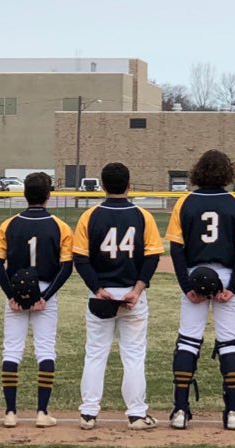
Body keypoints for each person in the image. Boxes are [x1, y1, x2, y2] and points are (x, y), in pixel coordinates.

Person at [164, 149, 235, 431]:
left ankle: (180, 411)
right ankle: (234, 412)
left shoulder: (185, 202)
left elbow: (176, 249)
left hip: (194, 274)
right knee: (229, 342)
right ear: (228, 173)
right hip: (226, 275)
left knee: (188, 340)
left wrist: (186, 286)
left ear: (198, 172)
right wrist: (232, 287)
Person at [72, 162, 162, 431]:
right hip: (132, 295)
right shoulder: (142, 216)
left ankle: (88, 413)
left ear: (102, 185)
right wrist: (137, 289)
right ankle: (136, 414)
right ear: (129, 184)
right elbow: (152, 257)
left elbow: (81, 258)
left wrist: (97, 289)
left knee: (95, 353)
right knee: (133, 355)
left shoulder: (90, 216)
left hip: (101, 295)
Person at [0, 172, 73, 428]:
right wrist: (44, 297)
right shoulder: (60, 226)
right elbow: (66, 267)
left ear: (24, 194)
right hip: (46, 290)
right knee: (45, 350)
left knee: (12, 350)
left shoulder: (9, 224)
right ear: (48, 195)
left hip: (15, 291)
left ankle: (10, 413)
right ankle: (42, 412)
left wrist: (11, 295)